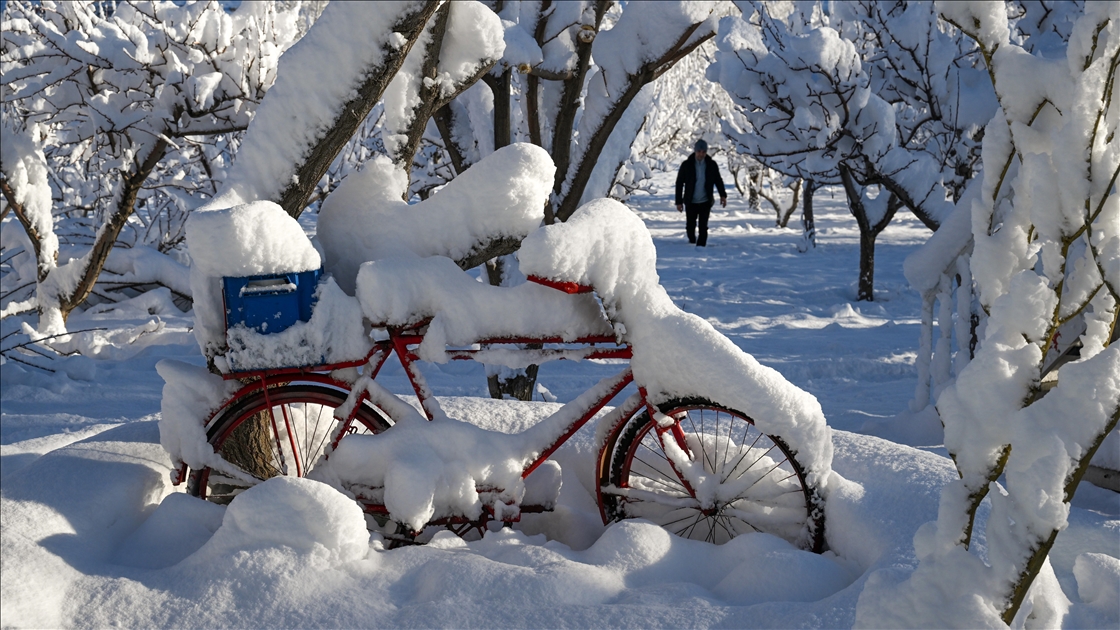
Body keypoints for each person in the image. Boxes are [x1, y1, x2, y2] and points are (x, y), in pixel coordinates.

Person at [675, 139, 727, 247]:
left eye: (703, 152)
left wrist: (723, 195)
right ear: (695, 151)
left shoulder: (711, 165)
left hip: (705, 201)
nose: (701, 154)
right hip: (691, 201)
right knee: (690, 226)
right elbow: (679, 183)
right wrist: (678, 201)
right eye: (699, 151)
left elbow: (718, 180)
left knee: (703, 226)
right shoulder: (686, 165)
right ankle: (692, 241)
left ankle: (701, 247)